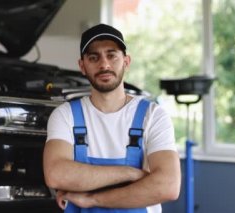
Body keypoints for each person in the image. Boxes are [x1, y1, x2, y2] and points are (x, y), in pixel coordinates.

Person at [43, 23, 181, 213]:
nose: (104, 64)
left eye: (112, 55)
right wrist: (131, 173)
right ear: (82, 66)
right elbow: (56, 175)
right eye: (93, 57)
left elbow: (168, 186)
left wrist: (92, 199)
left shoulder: (153, 116)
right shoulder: (65, 115)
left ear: (126, 61)